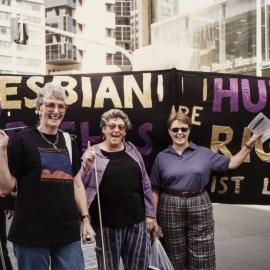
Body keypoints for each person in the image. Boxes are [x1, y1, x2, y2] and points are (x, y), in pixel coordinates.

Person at [0, 82, 95, 270]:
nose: (56, 111)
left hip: (67, 232)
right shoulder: (21, 141)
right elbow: (5, 187)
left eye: (61, 106)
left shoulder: (68, 140)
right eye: (50, 105)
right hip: (31, 234)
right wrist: (2, 151)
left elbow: (76, 184)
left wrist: (85, 219)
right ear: (38, 109)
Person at [150, 112, 261, 270]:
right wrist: (152, 217)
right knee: (175, 253)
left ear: (189, 130)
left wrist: (250, 142)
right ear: (169, 132)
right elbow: (155, 189)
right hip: (169, 206)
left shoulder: (204, 153)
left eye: (183, 129)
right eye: (175, 130)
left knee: (202, 251)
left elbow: (233, 163)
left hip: (199, 203)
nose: (179, 133)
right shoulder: (161, 157)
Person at [80, 108, 156, 270]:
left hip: (136, 223)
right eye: (112, 126)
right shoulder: (92, 153)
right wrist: (85, 166)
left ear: (125, 132)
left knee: (138, 266)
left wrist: (150, 215)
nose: (116, 130)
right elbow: (78, 185)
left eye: (121, 127)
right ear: (104, 129)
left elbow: (146, 184)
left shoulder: (133, 151)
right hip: (106, 226)